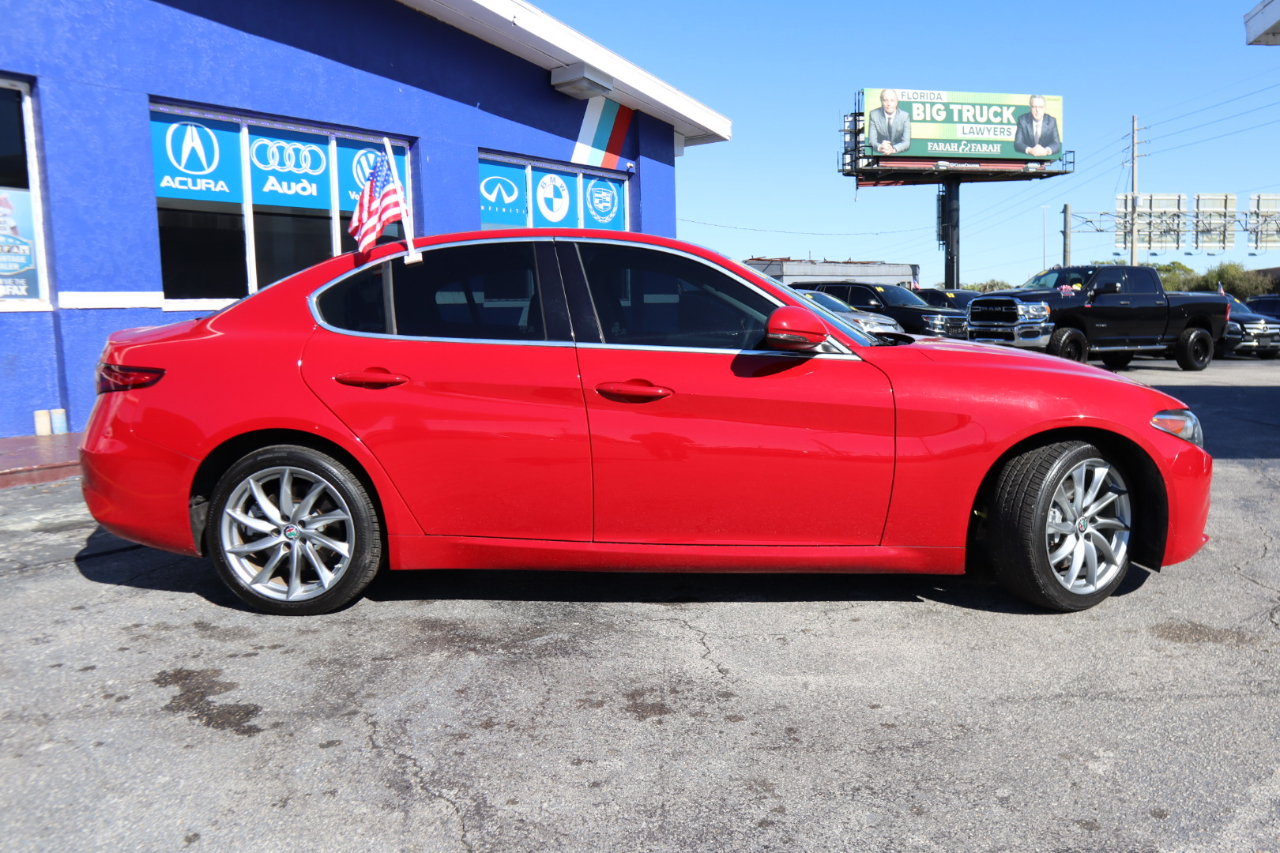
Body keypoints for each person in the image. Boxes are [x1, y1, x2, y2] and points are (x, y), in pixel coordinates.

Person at [867, 89, 911, 155]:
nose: (889, 104)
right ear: (881, 101)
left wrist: (892, 149)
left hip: (897, 153)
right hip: (882, 149)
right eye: (885, 100)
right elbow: (872, 141)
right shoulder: (874, 115)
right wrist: (880, 147)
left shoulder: (904, 116)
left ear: (896, 102)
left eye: (892, 100)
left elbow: (906, 143)